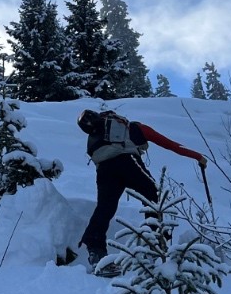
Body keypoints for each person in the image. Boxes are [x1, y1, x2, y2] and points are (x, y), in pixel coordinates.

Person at [72, 108, 206, 267]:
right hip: (129, 163)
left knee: (105, 208)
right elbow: (170, 145)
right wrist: (198, 156)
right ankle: (156, 242)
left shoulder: (97, 134)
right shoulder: (133, 127)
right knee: (153, 197)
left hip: (104, 170)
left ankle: (96, 251)